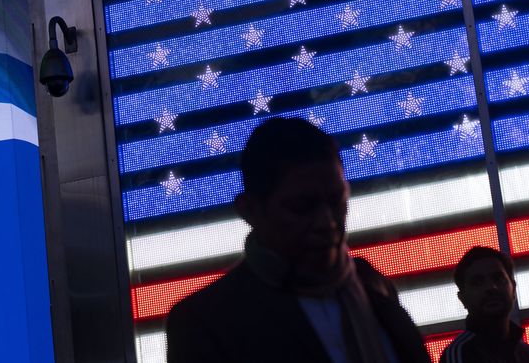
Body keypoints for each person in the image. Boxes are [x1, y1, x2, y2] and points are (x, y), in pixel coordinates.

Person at [165, 116, 430, 363]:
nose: (327, 223)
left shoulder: (374, 287)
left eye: (337, 201)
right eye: (302, 206)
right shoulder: (203, 323)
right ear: (251, 211)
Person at [439, 246, 529, 363]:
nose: (491, 287)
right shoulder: (459, 355)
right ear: (463, 299)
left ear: (513, 289)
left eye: (498, 278)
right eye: (477, 283)